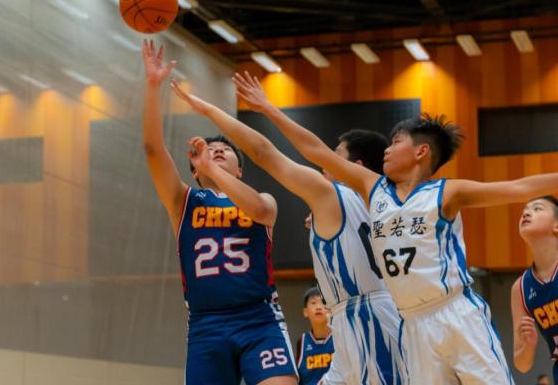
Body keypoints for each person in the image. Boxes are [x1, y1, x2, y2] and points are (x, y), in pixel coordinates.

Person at [230, 71, 557, 383]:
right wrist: (269, 109)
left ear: (421, 151)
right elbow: (315, 151)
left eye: (396, 141)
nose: (386, 149)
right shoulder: (373, 188)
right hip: (412, 323)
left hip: (456, 312)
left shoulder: (447, 192)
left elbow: (518, 187)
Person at [170, 73, 408, 384]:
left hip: (367, 316)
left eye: (334, 158)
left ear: (355, 167)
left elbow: (266, 153)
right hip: (355, 318)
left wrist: (220, 109)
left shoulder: (332, 195)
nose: (325, 165)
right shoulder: (386, 198)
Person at [141, 41, 297, 385]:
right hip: (206, 324)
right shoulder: (184, 201)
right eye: (210, 150)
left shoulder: (262, 199)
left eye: (225, 151)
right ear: (195, 171)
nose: (217, 151)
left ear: (239, 170)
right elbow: (152, 150)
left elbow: (258, 209)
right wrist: (152, 87)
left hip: (259, 319)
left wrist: (211, 166)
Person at [511, 196, 558, 384]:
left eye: (537, 209)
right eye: (524, 210)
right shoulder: (521, 288)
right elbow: (521, 364)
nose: (527, 213)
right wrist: (528, 346)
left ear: (556, 226)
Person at [296, 287, 334, 385]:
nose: (318, 307)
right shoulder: (302, 341)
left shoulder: (339, 338)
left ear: (331, 309)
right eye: (313, 303)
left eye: (323, 303)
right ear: (305, 312)